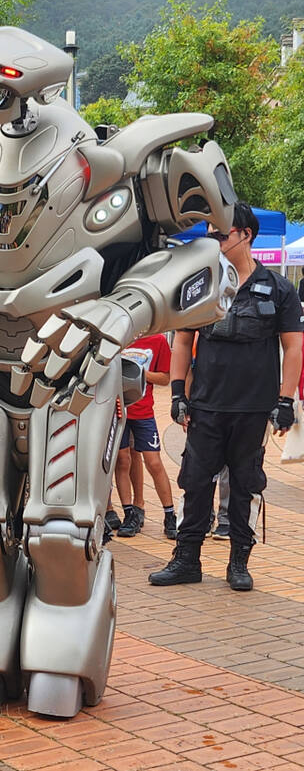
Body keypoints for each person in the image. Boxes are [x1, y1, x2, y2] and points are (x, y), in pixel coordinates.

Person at [150, 202, 304, 591]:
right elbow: (183, 341)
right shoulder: (201, 286)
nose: (213, 240)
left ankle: (239, 562)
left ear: (245, 235)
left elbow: (294, 347)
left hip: (253, 409)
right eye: (211, 233)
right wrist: (178, 394)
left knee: (245, 485)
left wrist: (286, 402)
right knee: (195, 482)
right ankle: (187, 560)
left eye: (221, 234)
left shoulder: (279, 289)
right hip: (206, 406)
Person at [113, 334, 177, 539]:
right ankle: (129, 513)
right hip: (118, 411)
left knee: (154, 462)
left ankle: (169, 514)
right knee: (122, 460)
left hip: (144, 413)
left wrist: (138, 373)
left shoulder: (158, 340)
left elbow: (165, 377)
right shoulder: (118, 336)